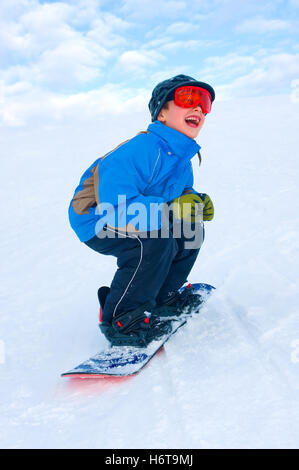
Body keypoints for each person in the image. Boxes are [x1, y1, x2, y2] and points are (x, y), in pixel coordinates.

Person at [68, 74, 215, 347]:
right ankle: (123, 319)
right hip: (96, 216)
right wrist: (172, 208)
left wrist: (194, 201)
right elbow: (116, 204)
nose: (198, 108)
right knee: (153, 241)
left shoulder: (182, 159)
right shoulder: (139, 150)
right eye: (188, 98)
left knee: (191, 228)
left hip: (137, 214)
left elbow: (178, 194)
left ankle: (163, 295)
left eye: (204, 103)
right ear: (161, 113)